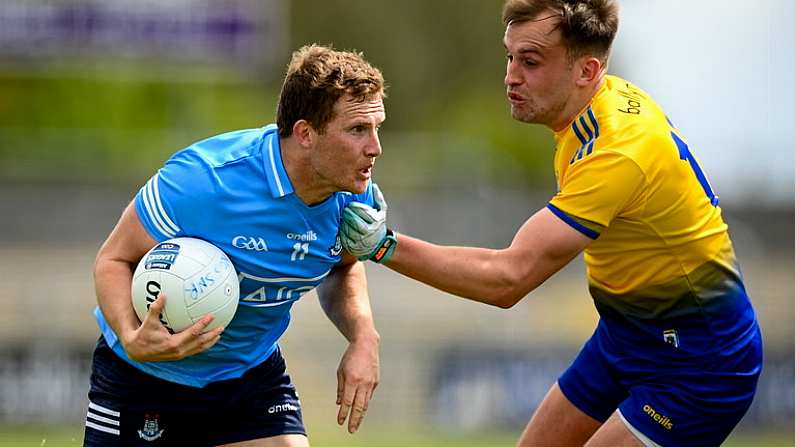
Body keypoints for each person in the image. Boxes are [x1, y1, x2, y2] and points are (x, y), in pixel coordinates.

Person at [340, 1, 763, 446]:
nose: (510, 76)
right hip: (625, 338)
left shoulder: (617, 151)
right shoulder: (592, 109)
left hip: (700, 365)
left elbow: (508, 279)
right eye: (510, 56)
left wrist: (383, 246)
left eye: (531, 61)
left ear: (587, 70)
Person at [84, 44, 385, 447]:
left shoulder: (355, 193)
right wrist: (131, 336)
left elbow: (343, 265)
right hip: (143, 378)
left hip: (248, 377)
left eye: (377, 127)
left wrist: (363, 337)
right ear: (306, 134)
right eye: (357, 130)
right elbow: (113, 259)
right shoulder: (204, 180)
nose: (375, 147)